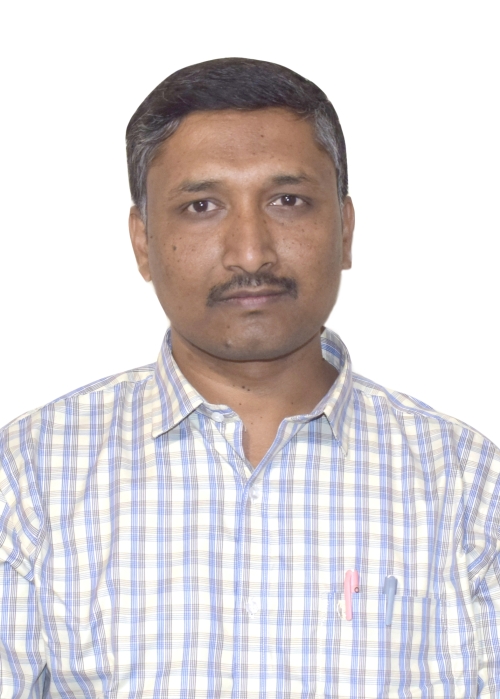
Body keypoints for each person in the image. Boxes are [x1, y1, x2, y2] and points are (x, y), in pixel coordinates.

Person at [0, 57, 498, 698]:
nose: (251, 252)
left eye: (287, 201)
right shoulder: (31, 479)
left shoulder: (466, 487)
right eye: (201, 205)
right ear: (143, 242)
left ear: (345, 229)